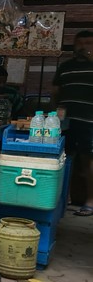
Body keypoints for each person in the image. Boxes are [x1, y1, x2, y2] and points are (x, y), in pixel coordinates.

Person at [53, 30, 93, 216]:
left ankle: (90, 201)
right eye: (80, 43)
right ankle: (65, 198)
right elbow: (55, 90)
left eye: (88, 43)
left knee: (88, 162)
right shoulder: (65, 67)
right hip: (66, 122)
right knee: (63, 159)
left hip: (89, 121)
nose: (83, 47)